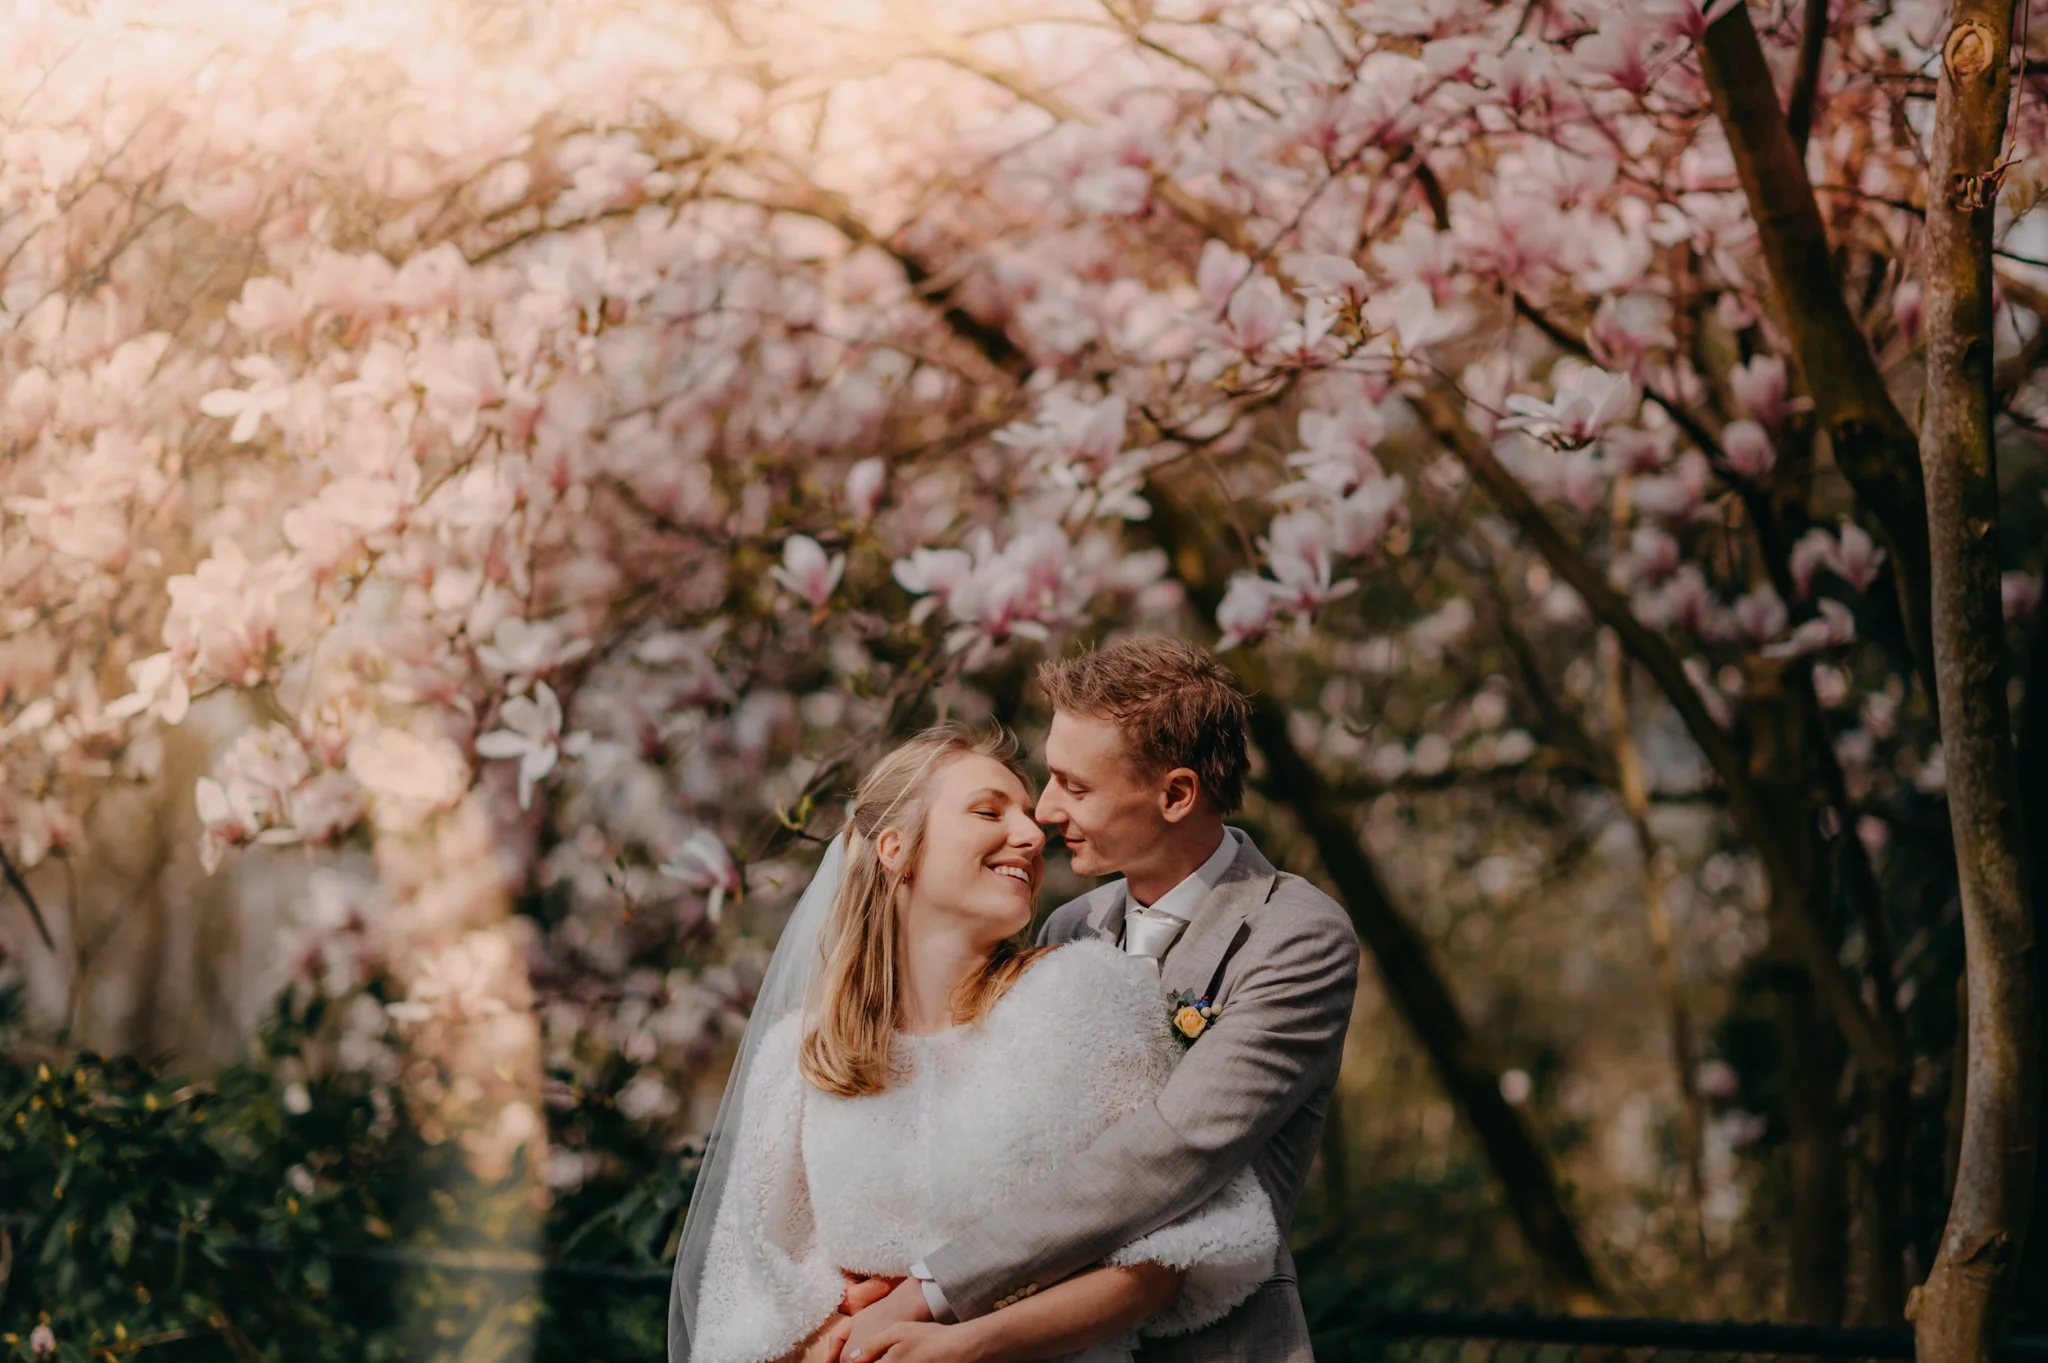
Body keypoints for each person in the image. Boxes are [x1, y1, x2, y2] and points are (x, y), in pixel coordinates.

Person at [672, 722, 1283, 1363]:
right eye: (989, 812)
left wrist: (967, 1344)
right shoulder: (799, 1056)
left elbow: (1172, 1253)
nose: (1032, 835)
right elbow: (747, 1307)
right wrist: (830, 1339)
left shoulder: (1082, 997)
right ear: (896, 848)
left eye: (1027, 816)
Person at [841, 638, 1359, 1363]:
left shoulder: (1295, 935)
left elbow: (1175, 1146)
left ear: (1175, 794)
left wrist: (935, 1288)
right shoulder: (1067, 927)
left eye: (1075, 787)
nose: (1046, 811)